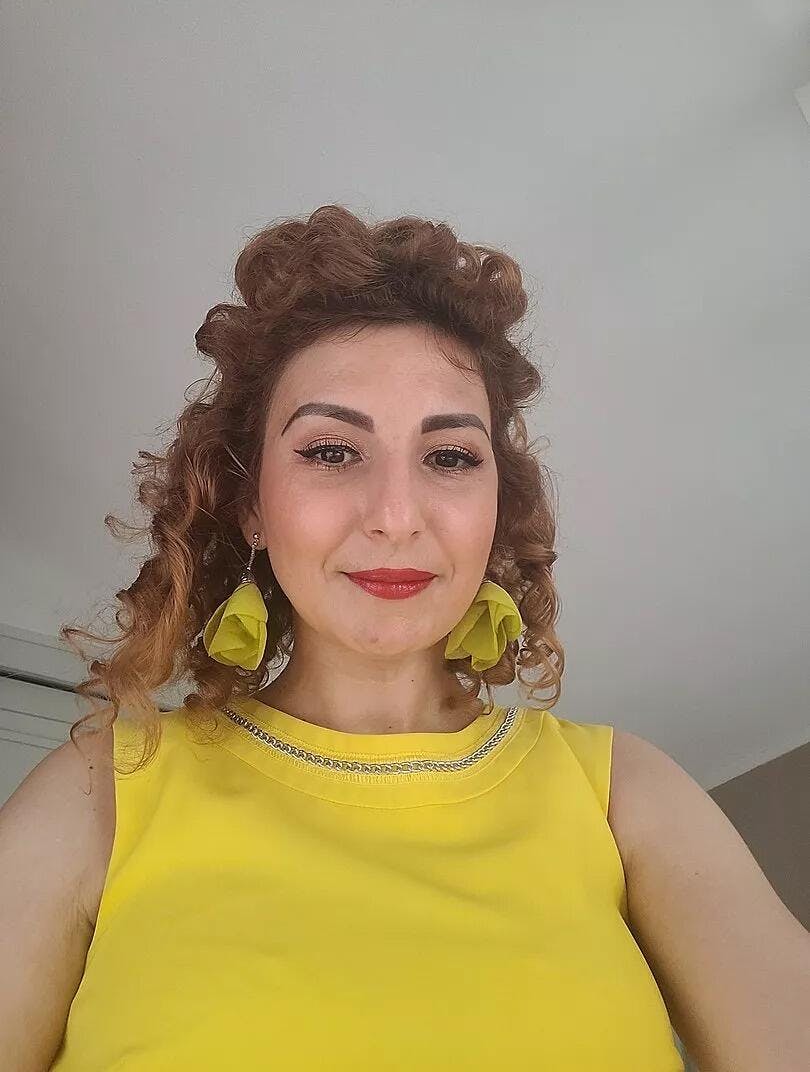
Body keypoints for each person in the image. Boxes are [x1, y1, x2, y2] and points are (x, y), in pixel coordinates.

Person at [1, 205, 807, 1071]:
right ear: (251, 505)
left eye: (450, 457)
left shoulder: (624, 794)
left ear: (497, 508)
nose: (395, 515)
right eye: (331, 451)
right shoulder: (96, 796)